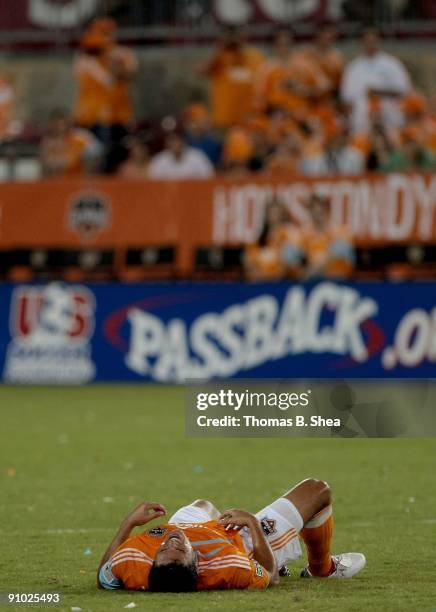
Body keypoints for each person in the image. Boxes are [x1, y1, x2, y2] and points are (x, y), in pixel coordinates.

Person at [97, 478, 365, 592]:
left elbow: (102, 577)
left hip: (199, 530)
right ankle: (322, 569)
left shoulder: (136, 565)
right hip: (238, 540)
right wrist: (250, 522)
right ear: (196, 562)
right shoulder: (228, 564)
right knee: (318, 490)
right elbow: (270, 578)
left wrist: (129, 523)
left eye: (164, 549)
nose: (172, 541)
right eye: (179, 550)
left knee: (202, 504)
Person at [340, 28, 411, 134]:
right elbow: (346, 98)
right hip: (362, 121)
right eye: (367, 41)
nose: (370, 44)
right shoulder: (353, 67)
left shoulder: (392, 64)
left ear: (379, 41)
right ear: (361, 42)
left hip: (389, 117)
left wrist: (378, 92)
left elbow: (404, 90)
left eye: (373, 41)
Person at [201, 26, 264, 128]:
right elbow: (202, 71)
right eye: (231, 35)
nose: (234, 38)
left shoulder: (255, 56)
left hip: (248, 121)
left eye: (236, 34)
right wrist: (221, 48)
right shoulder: (221, 57)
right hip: (224, 122)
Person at [245, 198, 303, 280]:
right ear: (266, 215)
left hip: (284, 282)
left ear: (283, 215)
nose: (274, 217)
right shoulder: (259, 239)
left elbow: (297, 264)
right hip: (262, 283)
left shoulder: (291, 234)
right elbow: (250, 265)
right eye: (271, 213)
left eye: (277, 213)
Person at [302, 194, 355, 279]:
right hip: (313, 275)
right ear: (310, 213)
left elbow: (343, 253)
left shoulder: (340, 230)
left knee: (340, 247)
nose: (317, 215)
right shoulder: (305, 232)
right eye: (313, 211)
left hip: (335, 274)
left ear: (326, 210)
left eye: (319, 211)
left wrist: (320, 266)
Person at [40, 109, 103, 177]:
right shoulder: (48, 142)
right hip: (56, 182)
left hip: (77, 180)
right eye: (57, 125)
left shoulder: (81, 137)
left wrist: (88, 175)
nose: (61, 128)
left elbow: (97, 155)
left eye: (63, 124)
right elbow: (45, 165)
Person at [148, 130, 214, 180]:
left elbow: (209, 179)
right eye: (172, 140)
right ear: (166, 142)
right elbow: (153, 186)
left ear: (184, 141)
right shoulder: (159, 160)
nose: (175, 144)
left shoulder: (198, 157)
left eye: (177, 140)